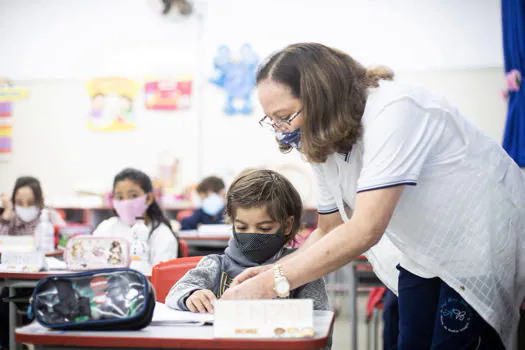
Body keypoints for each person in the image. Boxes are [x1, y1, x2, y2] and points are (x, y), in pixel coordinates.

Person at [221, 43, 525, 349]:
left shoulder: (393, 110)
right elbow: (330, 228)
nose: (280, 129)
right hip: (421, 254)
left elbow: (365, 229)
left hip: (478, 243)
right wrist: (275, 271)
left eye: (284, 116)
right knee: (408, 341)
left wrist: (272, 282)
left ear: (321, 97)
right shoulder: (321, 141)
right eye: (271, 120)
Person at [165, 169, 329, 313]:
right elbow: (175, 292)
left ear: (287, 225)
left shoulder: (303, 270)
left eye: (264, 228)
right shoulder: (216, 265)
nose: (252, 236)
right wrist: (192, 295)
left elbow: (320, 325)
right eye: (242, 228)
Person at [0, 176, 65, 349]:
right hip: (15, 278)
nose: (26, 207)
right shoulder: (11, 219)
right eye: (20, 202)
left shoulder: (50, 217)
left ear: (40, 201)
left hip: (45, 278)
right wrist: (6, 216)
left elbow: (65, 241)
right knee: (4, 299)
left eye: (30, 202)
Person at [93, 168, 178, 266]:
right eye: (120, 197)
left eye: (133, 195)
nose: (126, 202)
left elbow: (161, 277)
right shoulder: (107, 228)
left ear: (148, 198)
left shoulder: (161, 235)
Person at [0, 176, 65, 235]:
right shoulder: (11, 218)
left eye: (31, 203)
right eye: (19, 203)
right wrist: (7, 211)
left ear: (41, 200)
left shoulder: (50, 216)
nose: (25, 206)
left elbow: (66, 237)